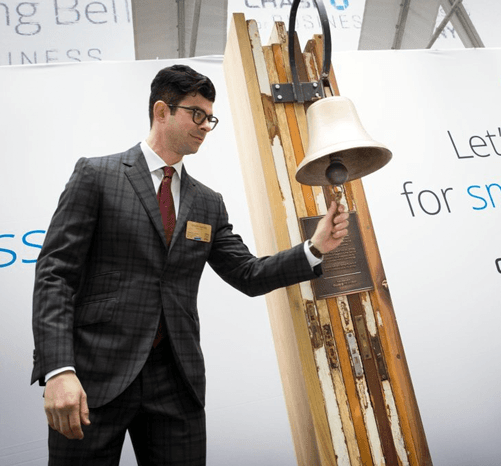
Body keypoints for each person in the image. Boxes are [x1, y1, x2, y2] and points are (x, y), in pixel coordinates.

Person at [31, 64, 349, 465]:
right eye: (196, 114)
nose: (205, 126)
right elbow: (55, 276)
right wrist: (58, 369)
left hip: (175, 382)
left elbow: (248, 274)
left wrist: (314, 249)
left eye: (210, 118)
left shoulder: (207, 202)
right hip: (93, 375)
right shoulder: (97, 175)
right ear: (162, 111)